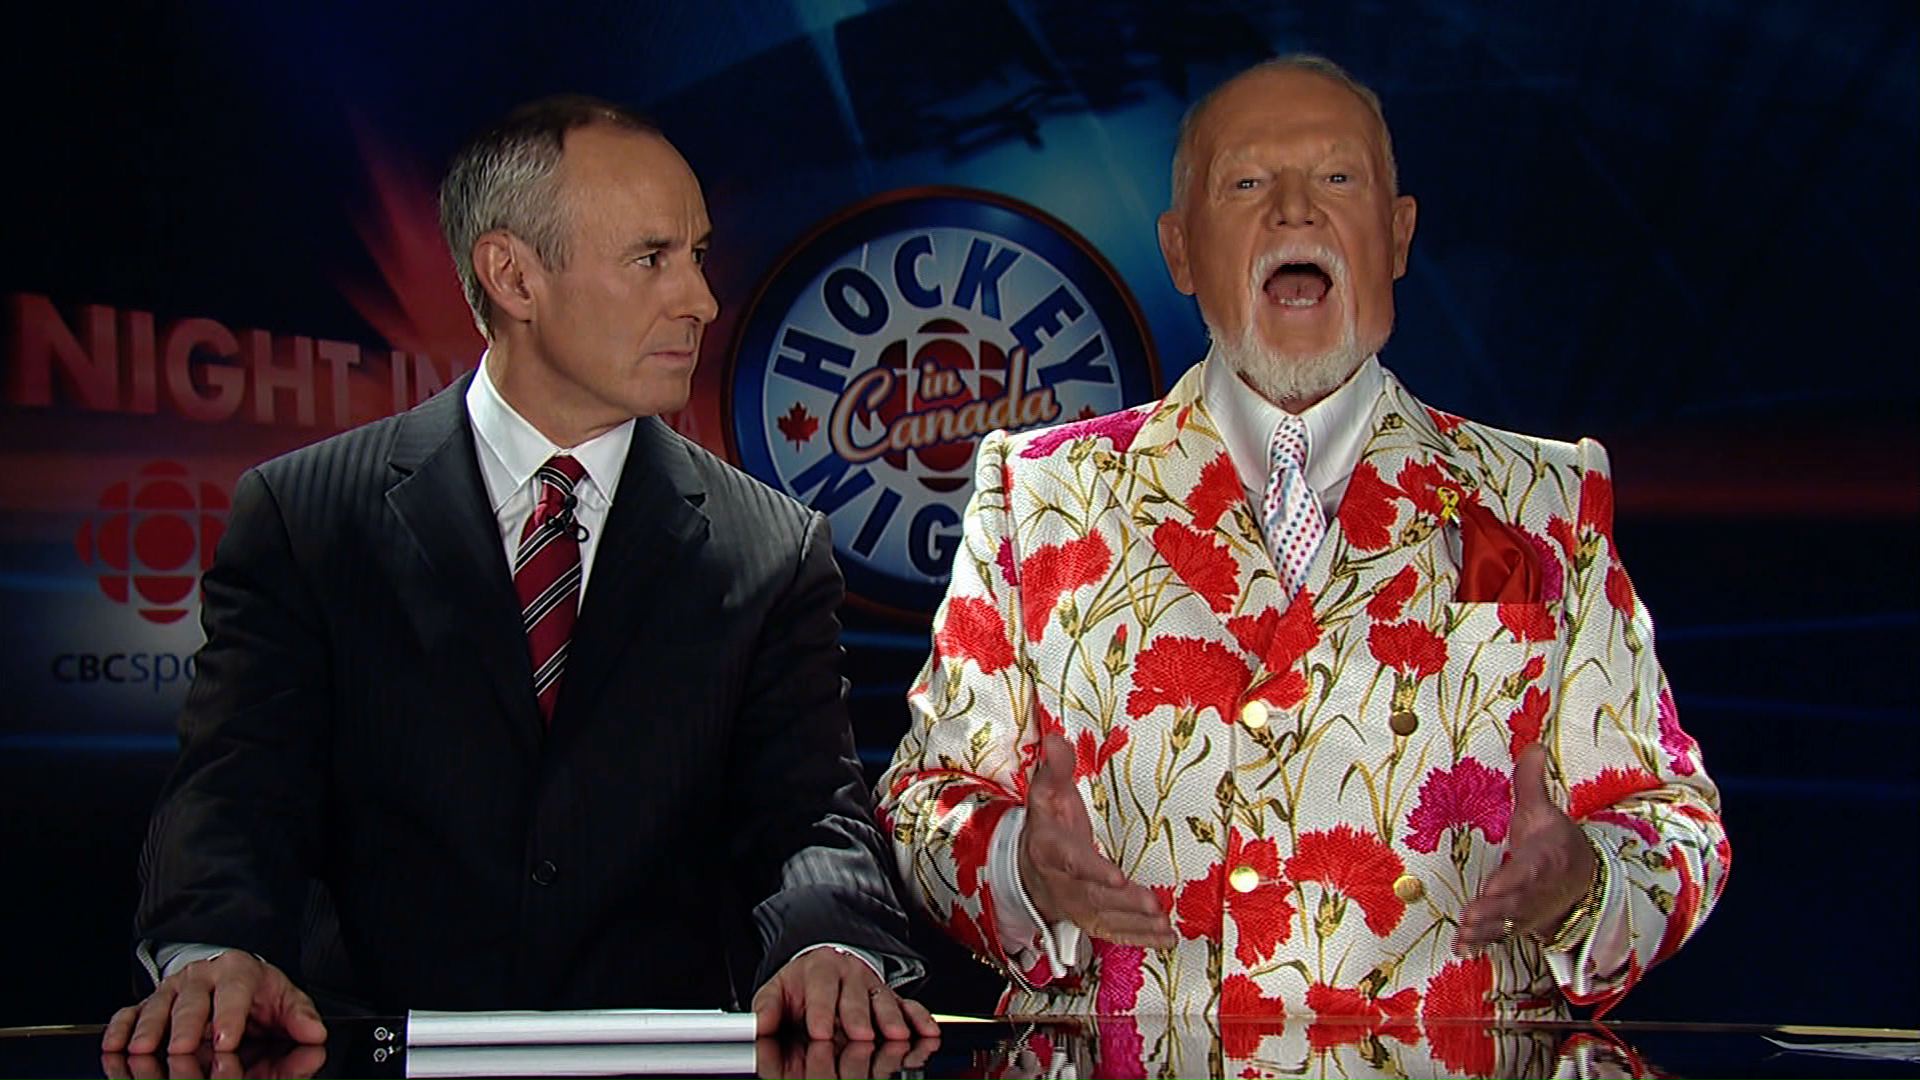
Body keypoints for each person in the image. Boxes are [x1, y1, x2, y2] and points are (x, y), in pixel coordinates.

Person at [877, 56, 1727, 1019]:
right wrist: (1019, 865)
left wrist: (1582, 882)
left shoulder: (1545, 499)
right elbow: (925, 800)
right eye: (1246, 184)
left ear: (1397, 235)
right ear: (1181, 250)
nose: (1294, 213)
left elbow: (1673, 824)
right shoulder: (1041, 492)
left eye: (1337, 179)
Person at [104, 94, 937, 1055]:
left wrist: (832, 941)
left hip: (656, 1064)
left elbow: (811, 819)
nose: (702, 300)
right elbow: (235, 791)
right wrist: (215, 949)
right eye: (652, 259)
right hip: (373, 1056)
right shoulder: (308, 516)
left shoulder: (771, 547)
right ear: (513, 275)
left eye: (698, 255)